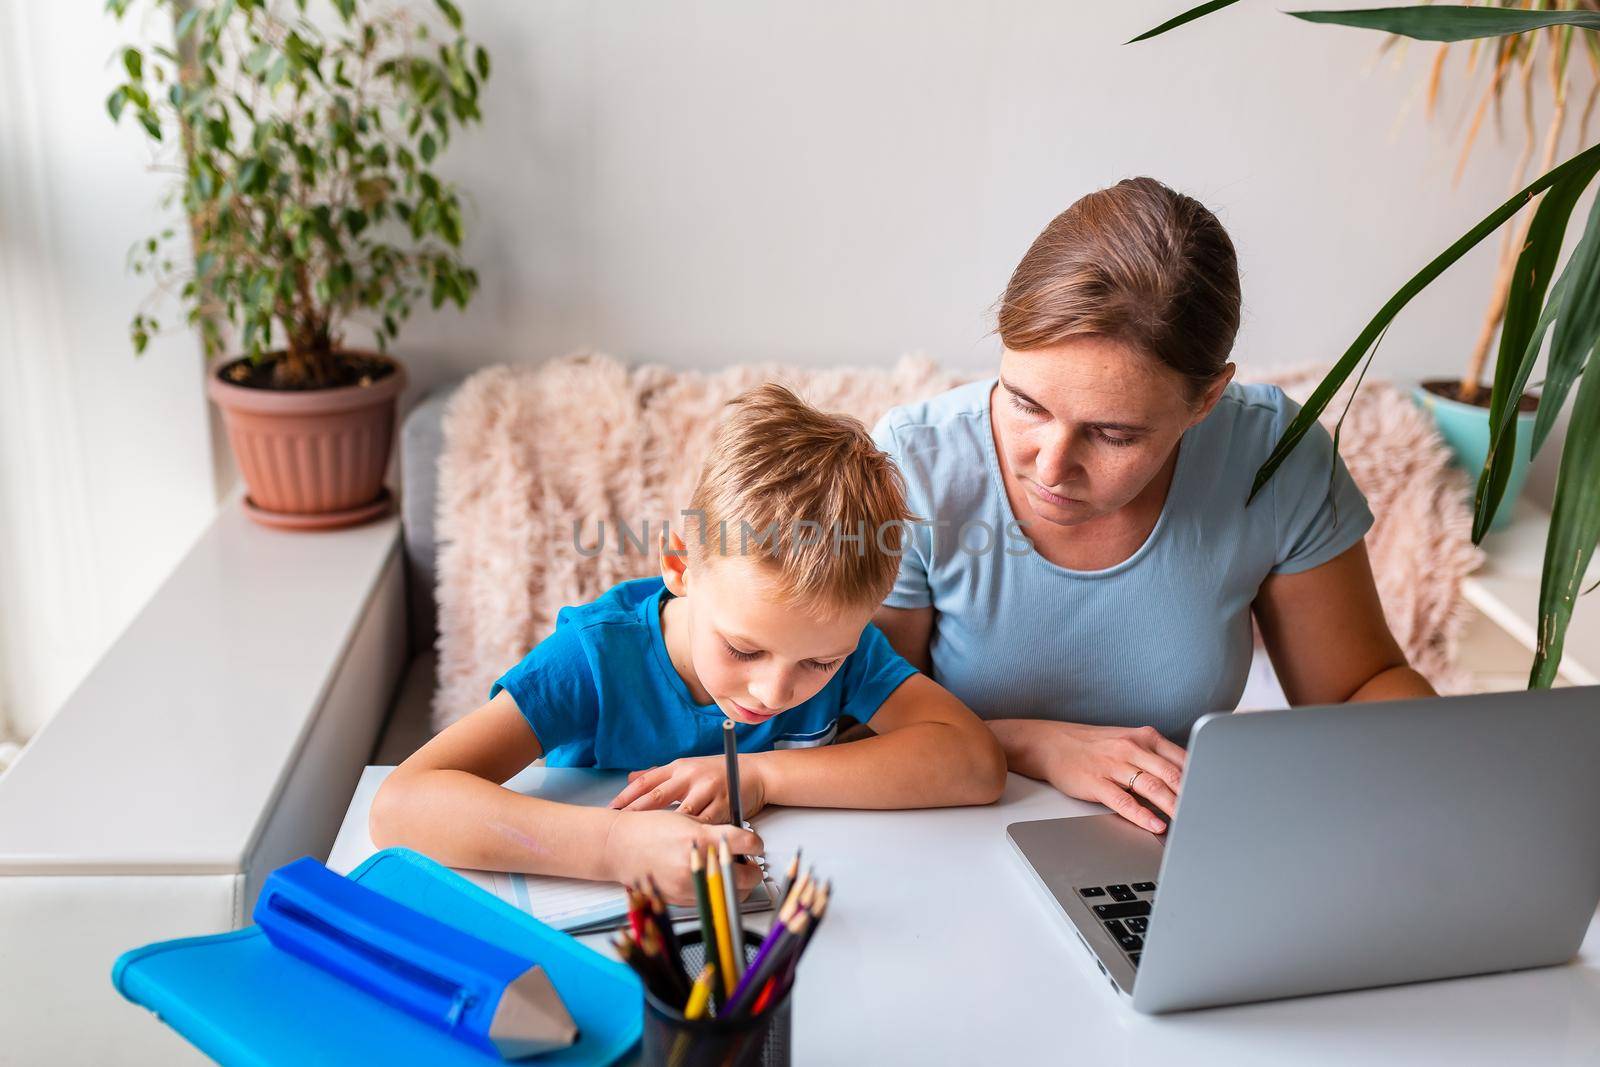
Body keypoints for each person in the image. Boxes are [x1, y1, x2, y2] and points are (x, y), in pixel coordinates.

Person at [870, 177, 1434, 837]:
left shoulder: (1270, 457)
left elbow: (1357, 689)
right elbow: (850, 719)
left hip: (1175, 848)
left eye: (1114, 434)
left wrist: (1447, 774)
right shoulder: (913, 467)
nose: (1050, 466)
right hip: (949, 835)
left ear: (1207, 400)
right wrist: (1037, 744)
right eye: (1025, 402)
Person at [371, 383, 1007, 903]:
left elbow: (974, 764)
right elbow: (403, 804)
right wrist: (616, 847)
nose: (775, 691)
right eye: (744, 649)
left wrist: (762, 776)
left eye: (819, 663)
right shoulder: (594, 660)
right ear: (679, 564)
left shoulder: (846, 645)